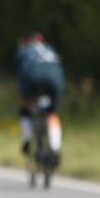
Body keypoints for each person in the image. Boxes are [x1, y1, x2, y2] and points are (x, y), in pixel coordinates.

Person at [14, 31, 64, 168]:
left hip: (32, 77)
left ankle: (27, 139)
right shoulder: (50, 48)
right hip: (55, 78)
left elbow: (19, 73)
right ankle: (55, 149)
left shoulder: (24, 50)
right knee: (52, 114)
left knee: (25, 105)